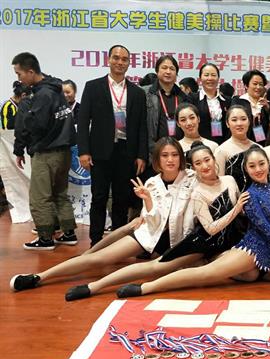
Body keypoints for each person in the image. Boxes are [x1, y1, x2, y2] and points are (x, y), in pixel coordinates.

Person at [116, 145, 270, 297]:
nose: (258, 169)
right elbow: (266, 230)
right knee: (206, 274)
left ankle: (260, 272)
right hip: (252, 249)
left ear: (268, 164)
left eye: (261, 164)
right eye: (252, 166)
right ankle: (147, 287)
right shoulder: (249, 195)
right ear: (246, 169)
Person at [9, 137, 196, 295]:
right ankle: (39, 277)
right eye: (165, 155)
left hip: (177, 240)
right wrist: (147, 201)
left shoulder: (192, 178)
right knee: (99, 259)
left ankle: (94, 284)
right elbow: (152, 221)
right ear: (157, 159)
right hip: (150, 235)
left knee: (143, 262)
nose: (170, 160)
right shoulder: (151, 183)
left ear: (181, 157)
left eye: (175, 155)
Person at [78, 44, 148, 247]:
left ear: (129, 63)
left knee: (121, 198)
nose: (120, 62)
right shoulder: (93, 87)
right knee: (99, 197)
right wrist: (84, 151)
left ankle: (117, 241)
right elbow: (83, 121)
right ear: (108, 60)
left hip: (126, 152)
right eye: (116, 58)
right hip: (100, 152)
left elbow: (142, 126)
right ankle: (95, 241)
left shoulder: (137, 92)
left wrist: (141, 155)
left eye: (124, 59)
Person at [11, 52, 77, 250]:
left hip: (46, 151)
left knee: (40, 197)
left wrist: (21, 145)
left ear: (30, 72)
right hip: (64, 151)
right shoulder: (56, 89)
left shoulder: (40, 95)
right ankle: (68, 233)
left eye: (19, 74)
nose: (19, 79)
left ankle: (45, 238)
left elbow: (34, 126)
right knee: (60, 194)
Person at [142, 55, 190, 157]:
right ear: (157, 71)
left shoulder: (183, 97)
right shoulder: (145, 93)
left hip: (177, 152)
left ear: (176, 73)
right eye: (164, 68)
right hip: (152, 153)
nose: (168, 72)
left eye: (172, 69)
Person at [214, 105, 258, 192]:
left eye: (243, 119)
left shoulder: (259, 148)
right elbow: (219, 185)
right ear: (227, 124)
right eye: (234, 120)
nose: (239, 123)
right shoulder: (221, 151)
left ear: (249, 122)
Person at [194, 63, 231, 145]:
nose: (210, 78)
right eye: (206, 75)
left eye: (213, 75)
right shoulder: (192, 99)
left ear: (218, 78)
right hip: (200, 145)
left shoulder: (228, 101)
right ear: (200, 78)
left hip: (223, 144)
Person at [231, 70, 270, 145]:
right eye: (255, 84)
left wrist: (268, 109)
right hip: (240, 143)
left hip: (263, 144)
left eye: (261, 84)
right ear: (246, 85)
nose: (258, 87)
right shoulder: (238, 101)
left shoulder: (266, 103)